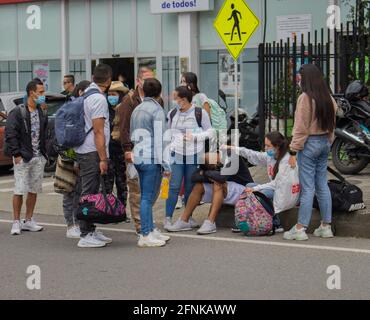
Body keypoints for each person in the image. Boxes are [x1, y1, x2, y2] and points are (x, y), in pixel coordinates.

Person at [284, 64, 337, 241]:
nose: (298, 81)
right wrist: (328, 140)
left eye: (299, 78)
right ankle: (326, 226)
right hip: (324, 143)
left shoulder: (305, 98)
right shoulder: (328, 97)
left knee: (308, 188)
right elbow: (332, 122)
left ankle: (300, 228)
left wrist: (293, 151)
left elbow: (300, 128)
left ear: (306, 79)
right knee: (322, 184)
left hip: (309, 144)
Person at [118, 67, 164, 234]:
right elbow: (125, 128)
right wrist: (127, 150)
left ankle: (148, 226)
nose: (149, 83)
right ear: (138, 82)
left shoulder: (157, 102)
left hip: (147, 154)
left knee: (150, 194)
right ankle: (142, 228)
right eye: (146, 80)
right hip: (139, 153)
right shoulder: (130, 101)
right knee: (139, 194)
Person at [224, 131, 296, 233]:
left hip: (286, 193)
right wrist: (234, 149)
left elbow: (276, 184)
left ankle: (276, 223)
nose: (266, 148)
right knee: (249, 185)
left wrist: (255, 189)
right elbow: (253, 154)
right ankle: (249, 220)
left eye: (268, 146)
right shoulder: (271, 156)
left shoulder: (286, 160)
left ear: (277, 146)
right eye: (265, 145)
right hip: (276, 189)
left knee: (260, 193)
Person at [167, 152, 253, 235]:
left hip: (245, 190)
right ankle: (184, 220)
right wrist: (209, 175)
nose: (213, 153)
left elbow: (221, 177)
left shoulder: (232, 156)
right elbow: (194, 177)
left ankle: (210, 222)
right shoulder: (214, 164)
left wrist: (205, 173)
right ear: (215, 164)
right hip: (228, 189)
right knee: (198, 186)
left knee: (217, 183)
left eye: (210, 154)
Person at [74, 64, 113, 248]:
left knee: (90, 190)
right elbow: (99, 131)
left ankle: (90, 228)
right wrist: (103, 158)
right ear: (109, 80)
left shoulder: (87, 93)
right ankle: (85, 233)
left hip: (85, 150)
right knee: (88, 193)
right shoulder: (97, 98)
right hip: (92, 152)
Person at [164, 86, 213, 231]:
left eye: (176, 98)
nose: (174, 101)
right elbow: (168, 134)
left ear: (184, 99)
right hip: (176, 154)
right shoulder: (172, 113)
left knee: (190, 187)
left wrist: (196, 137)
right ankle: (168, 218)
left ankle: (187, 217)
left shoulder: (200, 113)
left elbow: (210, 131)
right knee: (174, 186)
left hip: (194, 154)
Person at [130, 78, 171, 248]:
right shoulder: (157, 110)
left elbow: (131, 134)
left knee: (145, 196)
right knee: (148, 197)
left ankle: (150, 229)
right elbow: (161, 140)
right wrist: (167, 165)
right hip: (151, 158)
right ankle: (145, 234)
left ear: (143, 91)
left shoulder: (137, 109)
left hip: (138, 157)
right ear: (159, 92)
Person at [6, 80, 48, 235]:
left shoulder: (42, 111)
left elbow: (44, 133)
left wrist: (44, 154)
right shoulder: (18, 112)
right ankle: (16, 222)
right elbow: (11, 134)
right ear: (32, 93)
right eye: (41, 92)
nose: (43, 95)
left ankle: (28, 220)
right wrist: (16, 154)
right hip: (23, 157)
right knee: (19, 189)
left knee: (33, 189)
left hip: (38, 157)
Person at [55, 80, 91, 239]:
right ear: (81, 91)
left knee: (79, 192)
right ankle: (70, 224)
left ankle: (78, 221)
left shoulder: (82, 108)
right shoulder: (72, 109)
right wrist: (74, 159)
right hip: (69, 157)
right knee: (69, 191)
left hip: (79, 156)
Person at [104, 81, 129, 214]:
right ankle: (108, 210)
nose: (111, 97)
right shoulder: (104, 110)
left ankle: (121, 211)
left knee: (122, 183)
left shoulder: (124, 110)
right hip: (108, 152)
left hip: (121, 152)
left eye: (114, 94)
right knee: (107, 184)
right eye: (109, 94)